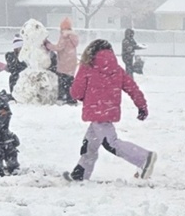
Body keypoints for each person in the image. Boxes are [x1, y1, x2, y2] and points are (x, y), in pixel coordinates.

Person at [64, 38, 156, 182]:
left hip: (95, 111)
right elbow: (132, 88)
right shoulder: (117, 69)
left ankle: (144, 158)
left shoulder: (87, 66)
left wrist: (82, 96)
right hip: (109, 111)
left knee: (111, 143)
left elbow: (76, 92)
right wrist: (141, 106)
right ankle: (80, 174)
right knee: (90, 145)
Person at [46, 17, 79, 103]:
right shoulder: (73, 36)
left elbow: (59, 47)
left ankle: (62, 97)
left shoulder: (64, 36)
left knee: (62, 80)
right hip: (72, 61)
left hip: (64, 61)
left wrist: (48, 45)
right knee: (70, 80)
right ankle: (71, 97)